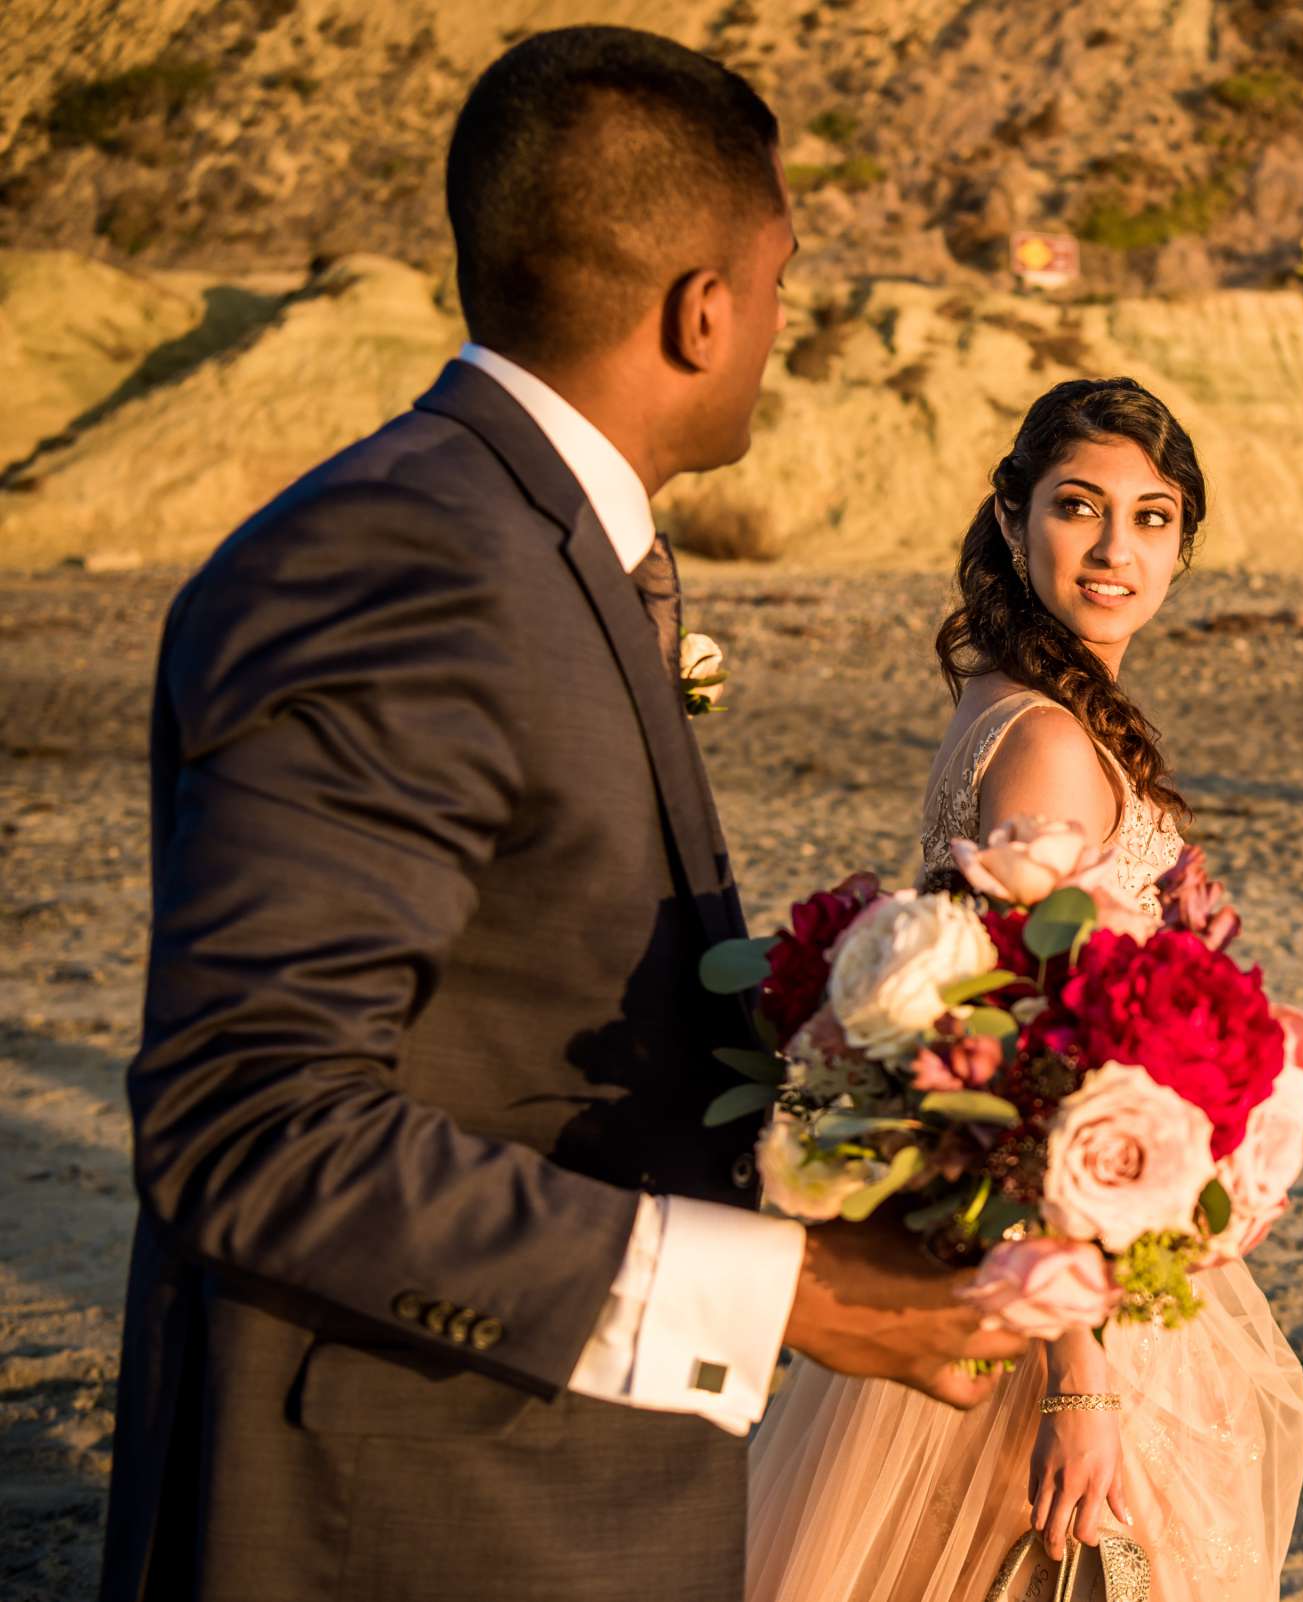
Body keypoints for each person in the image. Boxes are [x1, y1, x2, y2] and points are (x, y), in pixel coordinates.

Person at [100, 28, 1021, 1602]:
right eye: (782, 280)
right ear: (702, 308)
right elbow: (249, 1115)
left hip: (542, 1485)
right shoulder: (406, 560)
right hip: (408, 1515)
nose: (783, 325)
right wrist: (776, 1289)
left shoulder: (524, 539)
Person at [745, 379, 1303, 1602]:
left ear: (1185, 543)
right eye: (1079, 508)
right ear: (1013, 521)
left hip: (1035, 1257)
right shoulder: (1052, 738)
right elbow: (1040, 1080)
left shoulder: (1002, 704)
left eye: (1153, 518)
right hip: (1059, 1305)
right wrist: (1083, 1390)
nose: (1117, 550)